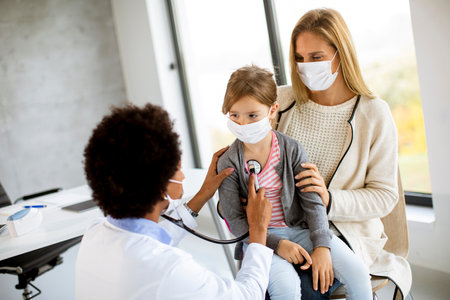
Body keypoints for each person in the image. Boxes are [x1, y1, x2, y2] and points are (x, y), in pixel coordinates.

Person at [274, 7, 412, 299]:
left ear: (341, 55)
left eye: (316, 58)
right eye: (299, 58)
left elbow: (384, 196)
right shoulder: (280, 101)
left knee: (305, 288)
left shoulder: (374, 113)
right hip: (285, 227)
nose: (305, 66)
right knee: (262, 281)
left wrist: (329, 199)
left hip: (343, 234)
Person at [75, 103, 274, 300]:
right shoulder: (171, 269)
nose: (183, 176)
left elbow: (151, 243)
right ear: (160, 186)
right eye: (178, 167)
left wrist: (203, 194)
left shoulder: (95, 233)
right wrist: (258, 229)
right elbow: (248, 296)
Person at [217, 65, 372, 300]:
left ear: (272, 110)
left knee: (358, 273)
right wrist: (278, 245)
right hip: (260, 239)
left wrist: (321, 246)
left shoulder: (291, 149)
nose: (243, 124)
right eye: (235, 115)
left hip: (302, 231)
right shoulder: (227, 162)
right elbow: (236, 223)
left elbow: (313, 201)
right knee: (286, 288)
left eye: (252, 115)